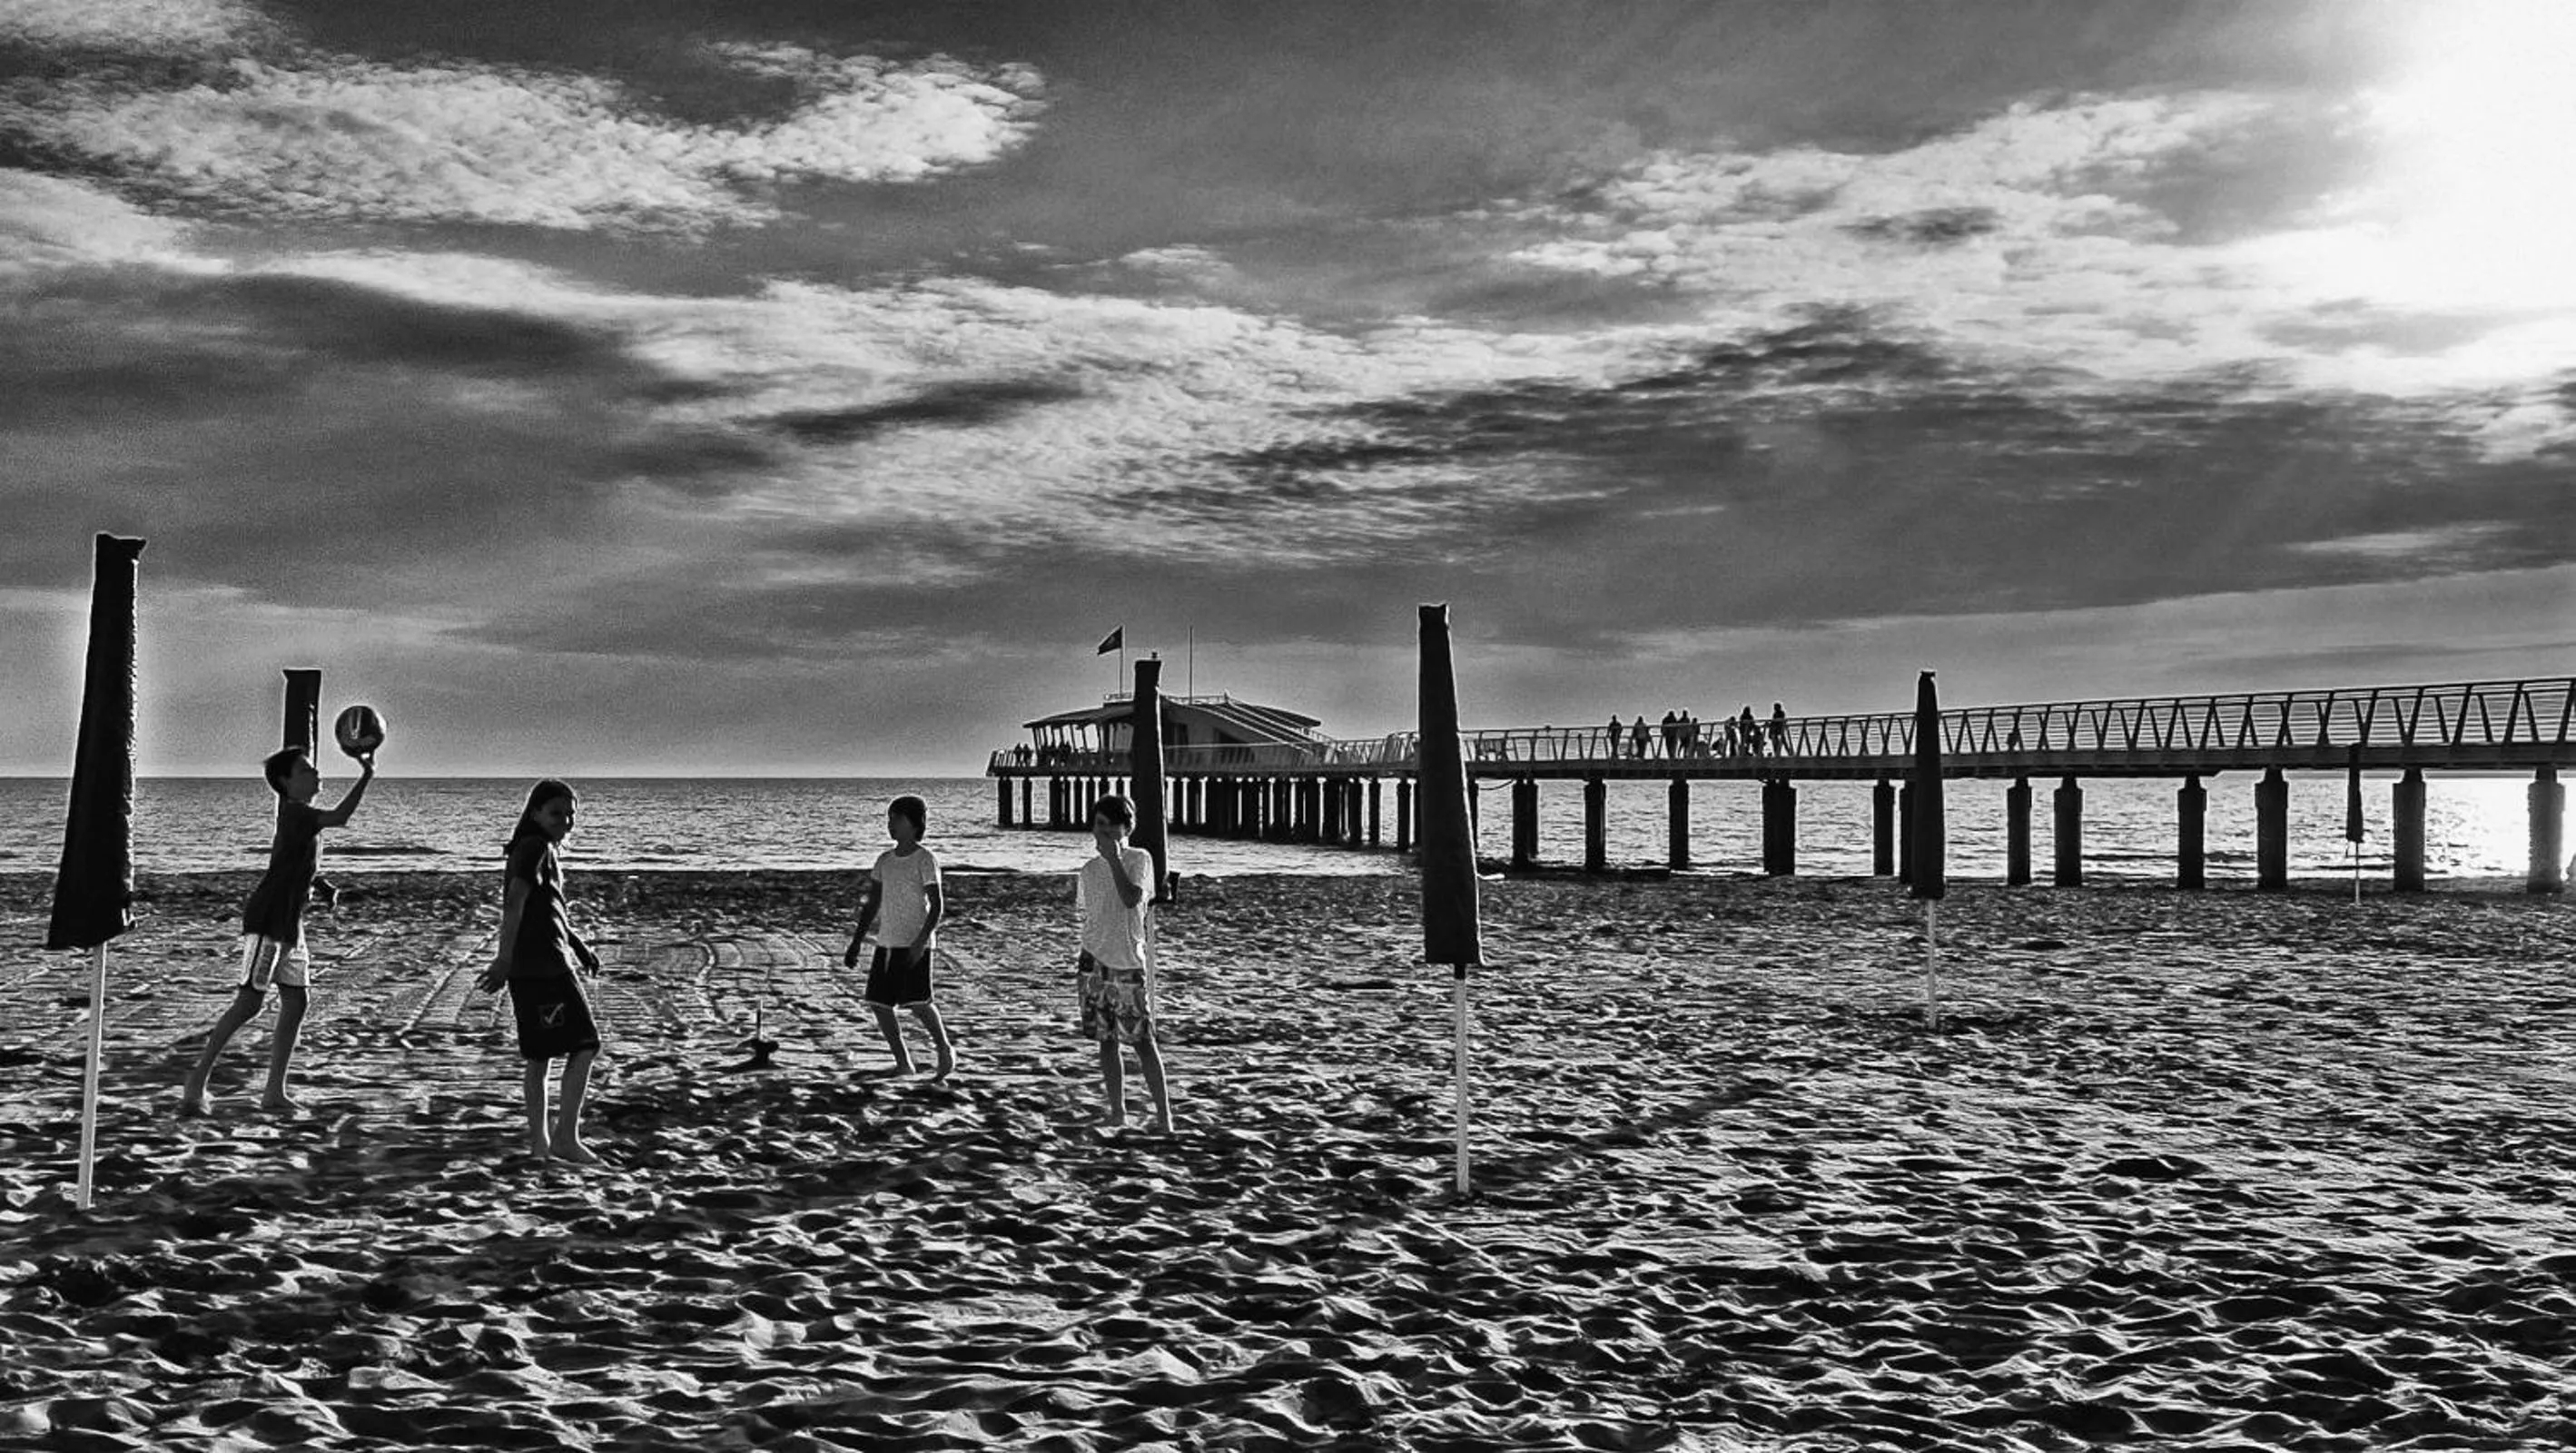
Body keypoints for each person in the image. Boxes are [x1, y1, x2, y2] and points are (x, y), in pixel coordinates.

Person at [181, 744, 376, 1116]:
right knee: (249, 1003)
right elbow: (341, 817)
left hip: (291, 924)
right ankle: (197, 1080)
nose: (316, 774)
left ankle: (274, 1092)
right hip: (269, 919)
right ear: (286, 782)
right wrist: (366, 775)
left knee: (297, 1002)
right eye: (306, 771)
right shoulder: (296, 814)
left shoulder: (300, 818)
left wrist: (321, 886)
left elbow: (289, 862)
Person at [477, 780, 606, 1164]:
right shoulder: (532, 847)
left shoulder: (540, 848)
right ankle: (565, 1138)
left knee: (541, 1056)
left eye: (570, 815)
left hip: (548, 961)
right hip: (541, 969)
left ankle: (541, 1145)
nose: (565, 821)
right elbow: (515, 903)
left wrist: (579, 946)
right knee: (585, 1045)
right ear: (534, 812)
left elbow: (548, 908)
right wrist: (503, 960)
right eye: (556, 813)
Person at [1076, 795, 1172, 1132]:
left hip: (1128, 962)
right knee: (1106, 1040)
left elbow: (1132, 899)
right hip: (1093, 961)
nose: (1101, 833)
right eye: (1098, 825)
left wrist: (1115, 859)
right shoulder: (1088, 869)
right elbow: (1088, 914)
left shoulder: (1138, 859)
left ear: (1126, 828)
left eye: (1109, 826)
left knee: (1143, 1040)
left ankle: (1164, 1117)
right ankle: (1117, 1110)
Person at [844, 794, 955, 1079]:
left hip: (914, 943)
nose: (891, 824)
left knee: (918, 1002)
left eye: (896, 819)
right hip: (887, 942)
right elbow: (872, 905)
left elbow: (937, 906)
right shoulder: (884, 861)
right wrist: (856, 942)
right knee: (879, 1003)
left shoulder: (924, 859)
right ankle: (903, 1062)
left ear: (914, 824)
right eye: (888, 819)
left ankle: (943, 1048)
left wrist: (920, 942)